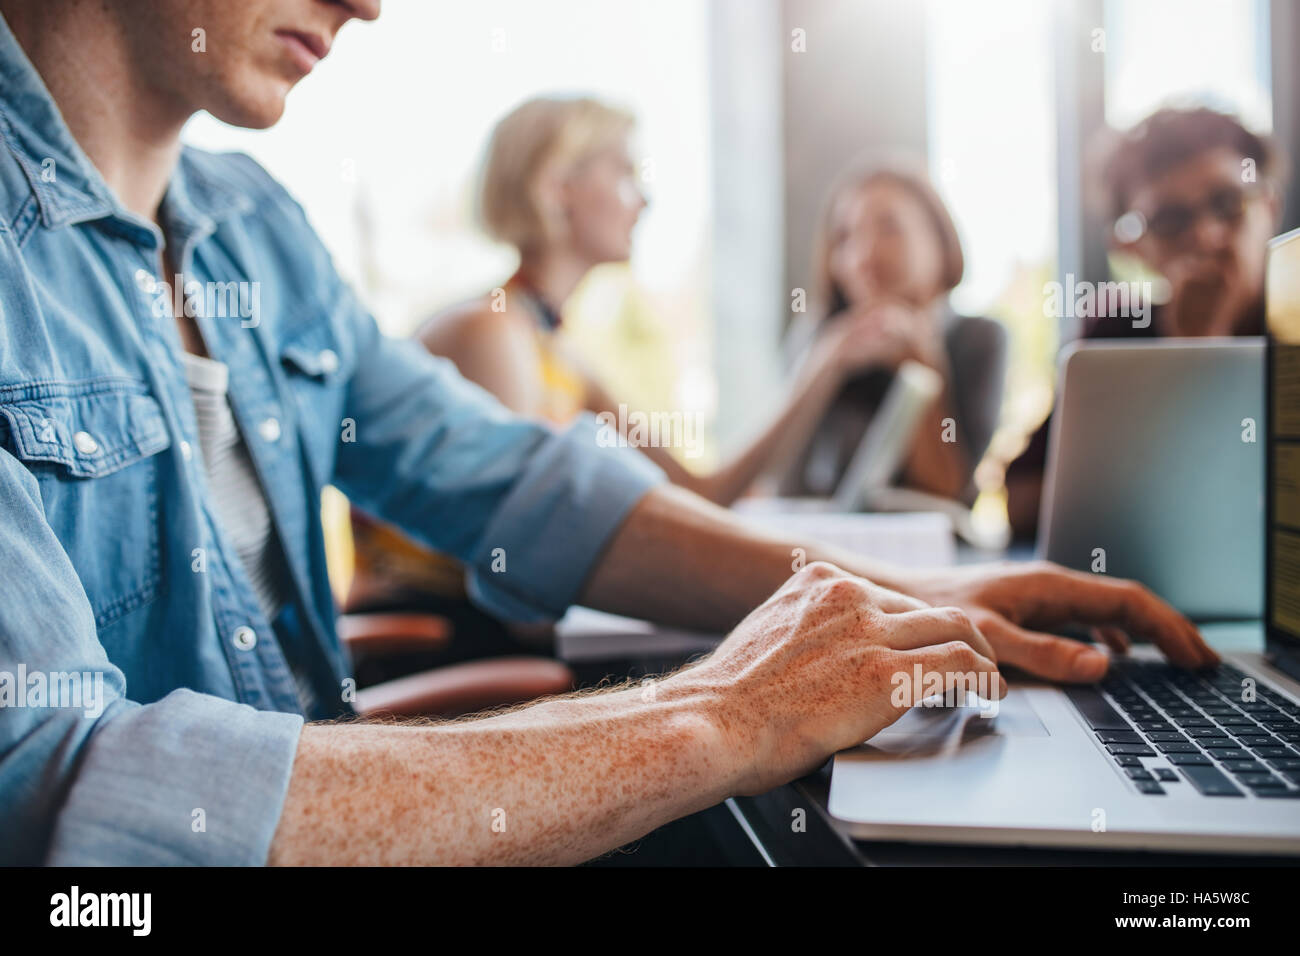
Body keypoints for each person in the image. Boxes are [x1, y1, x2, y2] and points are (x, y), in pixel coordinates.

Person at [0, 0, 1216, 867]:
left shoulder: (255, 228)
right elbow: (61, 792)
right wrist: (717, 710)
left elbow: (537, 489)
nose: (369, 5)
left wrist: (934, 589)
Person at [348, 97, 927, 638]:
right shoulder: (492, 332)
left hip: (502, 630)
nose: (643, 200)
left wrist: (824, 368)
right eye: (624, 173)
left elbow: (702, 492)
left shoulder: (560, 353)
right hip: (451, 635)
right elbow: (516, 542)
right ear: (557, 189)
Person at [1005, 107, 1286, 539]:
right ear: (1130, 247)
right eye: (1171, 220)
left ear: (1270, 205)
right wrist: (1190, 354)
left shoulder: (1295, 325)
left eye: (1227, 203)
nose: (1206, 236)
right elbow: (1023, 501)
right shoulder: (1115, 333)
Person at [779, 159, 1007, 504]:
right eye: (844, 237)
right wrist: (825, 367)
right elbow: (775, 481)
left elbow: (948, 492)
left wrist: (920, 365)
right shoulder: (819, 339)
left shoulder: (977, 339)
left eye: (889, 229)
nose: (863, 255)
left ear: (940, 243)